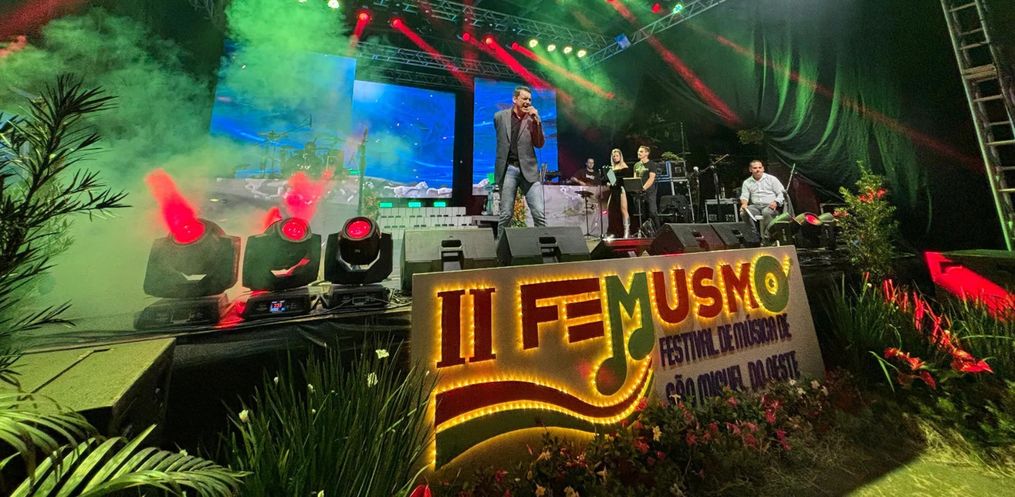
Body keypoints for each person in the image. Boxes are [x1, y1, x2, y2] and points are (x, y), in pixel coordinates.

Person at [494, 85, 546, 238]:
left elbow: (539, 144)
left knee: (539, 213)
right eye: (524, 99)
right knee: (506, 214)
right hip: (509, 169)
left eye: (530, 99)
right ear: (515, 99)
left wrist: (537, 122)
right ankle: (501, 249)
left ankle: (544, 248)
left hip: (529, 170)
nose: (528, 102)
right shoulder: (499, 117)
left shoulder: (532, 119)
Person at [739, 160, 786, 242]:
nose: (758, 170)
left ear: (763, 169)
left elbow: (781, 193)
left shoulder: (772, 179)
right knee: (743, 212)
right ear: (750, 170)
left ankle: (769, 237)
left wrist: (776, 202)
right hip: (756, 206)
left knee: (766, 212)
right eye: (755, 168)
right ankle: (754, 236)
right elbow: (744, 196)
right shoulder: (747, 182)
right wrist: (744, 204)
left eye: (760, 167)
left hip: (770, 205)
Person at [632, 145, 660, 233]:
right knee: (642, 213)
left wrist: (644, 188)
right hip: (639, 193)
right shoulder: (636, 165)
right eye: (638, 151)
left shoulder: (651, 164)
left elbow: (651, 178)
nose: (638, 153)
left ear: (647, 153)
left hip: (650, 191)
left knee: (652, 211)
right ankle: (645, 232)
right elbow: (635, 178)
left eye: (641, 151)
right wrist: (635, 188)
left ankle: (658, 231)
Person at [606, 148, 631, 238]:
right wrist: (609, 182)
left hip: (621, 190)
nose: (615, 157)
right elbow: (611, 181)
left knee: (624, 210)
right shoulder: (611, 168)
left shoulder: (624, 166)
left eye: (617, 156)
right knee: (611, 210)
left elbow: (624, 180)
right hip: (613, 190)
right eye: (614, 156)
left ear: (620, 156)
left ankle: (627, 231)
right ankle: (613, 231)